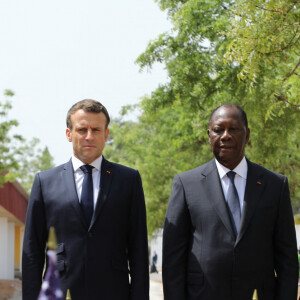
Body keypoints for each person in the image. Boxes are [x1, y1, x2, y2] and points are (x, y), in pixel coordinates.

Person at [162, 104, 298, 300]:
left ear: (247, 134)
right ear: (209, 135)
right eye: (218, 130)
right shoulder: (185, 184)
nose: (225, 136)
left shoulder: (275, 185)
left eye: (233, 129)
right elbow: (173, 259)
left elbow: (287, 259)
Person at [22, 99, 149, 300]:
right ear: (69, 134)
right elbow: (32, 251)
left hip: (113, 293)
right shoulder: (44, 182)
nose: (89, 136)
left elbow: (138, 248)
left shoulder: (128, 180)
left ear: (106, 135)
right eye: (82, 130)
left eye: (96, 130)